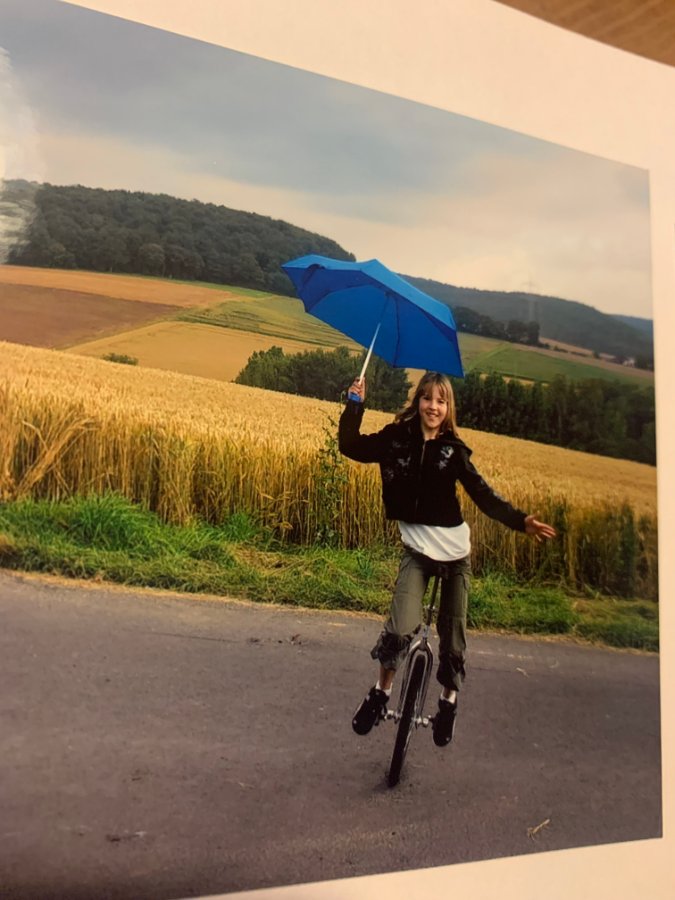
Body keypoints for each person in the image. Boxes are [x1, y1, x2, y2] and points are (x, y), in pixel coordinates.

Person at [338, 371, 557, 746]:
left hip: (455, 558)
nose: (433, 407)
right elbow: (350, 446)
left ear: (448, 407)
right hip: (417, 554)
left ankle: (448, 703)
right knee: (399, 629)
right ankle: (380, 693)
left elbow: (483, 495)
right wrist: (354, 404)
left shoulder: (453, 451)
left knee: (453, 640)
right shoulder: (396, 439)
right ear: (418, 401)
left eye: (441, 401)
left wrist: (521, 522)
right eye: (427, 398)